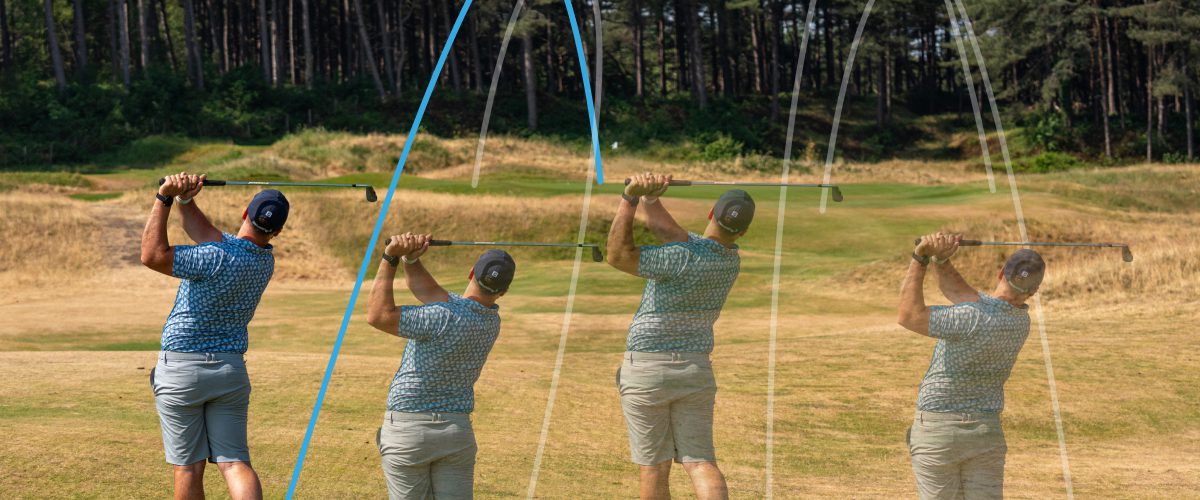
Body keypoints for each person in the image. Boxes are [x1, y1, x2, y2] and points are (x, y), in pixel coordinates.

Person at [605, 172, 754, 500]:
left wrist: (630, 198)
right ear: (742, 231)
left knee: (654, 465)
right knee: (701, 462)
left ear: (710, 214)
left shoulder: (681, 256)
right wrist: (651, 198)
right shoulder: (730, 260)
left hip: (646, 369)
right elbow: (670, 232)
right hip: (694, 371)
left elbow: (618, 254)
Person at [141, 172, 289, 500]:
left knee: (188, 467)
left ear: (245, 214)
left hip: (181, 370)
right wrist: (186, 199)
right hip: (229, 373)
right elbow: (205, 233)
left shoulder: (214, 256)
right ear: (277, 231)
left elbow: (153, 255)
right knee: (235, 463)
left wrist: (164, 196)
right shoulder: (264, 261)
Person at [365, 232, 516, 499]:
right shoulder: (491, 321)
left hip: (408, 432)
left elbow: (379, 316)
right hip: (455, 434)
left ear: (471, 273)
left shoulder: (442, 316)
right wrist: (411, 261)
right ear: (503, 291)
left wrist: (390, 257)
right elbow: (431, 293)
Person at [897, 232, 1046, 500]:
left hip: (937, 433)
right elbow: (961, 293)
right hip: (985, 435)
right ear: (1033, 291)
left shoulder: (970, 317)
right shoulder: (1020, 322)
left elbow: (909, 315)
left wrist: (920, 258)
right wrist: (942, 260)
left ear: (1002, 273)